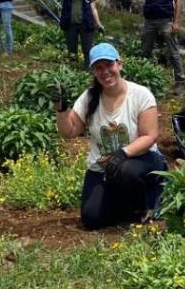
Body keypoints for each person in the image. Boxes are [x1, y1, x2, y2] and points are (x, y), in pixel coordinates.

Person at [55, 43, 167, 230]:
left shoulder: (140, 95)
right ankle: (126, 205)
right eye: (99, 67)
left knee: (126, 170)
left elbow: (150, 135)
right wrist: (61, 111)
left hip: (141, 160)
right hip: (104, 168)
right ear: (93, 71)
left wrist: (122, 153)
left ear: (119, 65)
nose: (105, 71)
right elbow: (69, 132)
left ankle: (148, 198)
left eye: (109, 65)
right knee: (91, 219)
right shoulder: (89, 98)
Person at [125, 0, 185, 91]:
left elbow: (178, 1)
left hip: (166, 21)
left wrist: (176, 22)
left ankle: (180, 81)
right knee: (145, 51)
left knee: (173, 51)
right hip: (149, 22)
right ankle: (144, 80)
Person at [41, 0, 104, 65]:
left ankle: (88, 69)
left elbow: (93, 9)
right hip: (70, 24)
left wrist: (98, 23)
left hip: (86, 23)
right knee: (72, 50)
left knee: (87, 50)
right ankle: (73, 70)